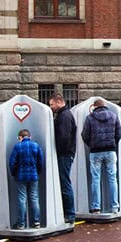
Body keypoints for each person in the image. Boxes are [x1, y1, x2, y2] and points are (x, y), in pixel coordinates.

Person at [81, 99, 121, 215]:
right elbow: (119, 132)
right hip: (110, 151)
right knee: (112, 178)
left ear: (94, 107)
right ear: (105, 106)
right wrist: (113, 143)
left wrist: (92, 145)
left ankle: (96, 207)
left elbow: (84, 135)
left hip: (95, 152)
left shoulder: (90, 118)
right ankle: (114, 206)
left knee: (95, 179)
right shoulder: (113, 116)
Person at [48, 93, 77, 224]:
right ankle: (68, 212)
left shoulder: (64, 116)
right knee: (64, 182)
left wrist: (56, 150)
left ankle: (70, 214)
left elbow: (63, 137)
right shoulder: (65, 115)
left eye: (52, 104)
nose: (51, 107)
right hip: (67, 153)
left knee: (65, 183)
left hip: (64, 154)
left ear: (59, 102)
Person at [8, 129, 44, 229]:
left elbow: (12, 163)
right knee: (34, 198)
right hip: (33, 176)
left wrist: (14, 173)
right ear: (30, 137)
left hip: (21, 176)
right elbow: (40, 162)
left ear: (20, 137)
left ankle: (21, 224)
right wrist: (38, 172)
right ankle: (36, 222)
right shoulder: (36, 146)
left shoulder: (17, 146)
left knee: (22, 199)